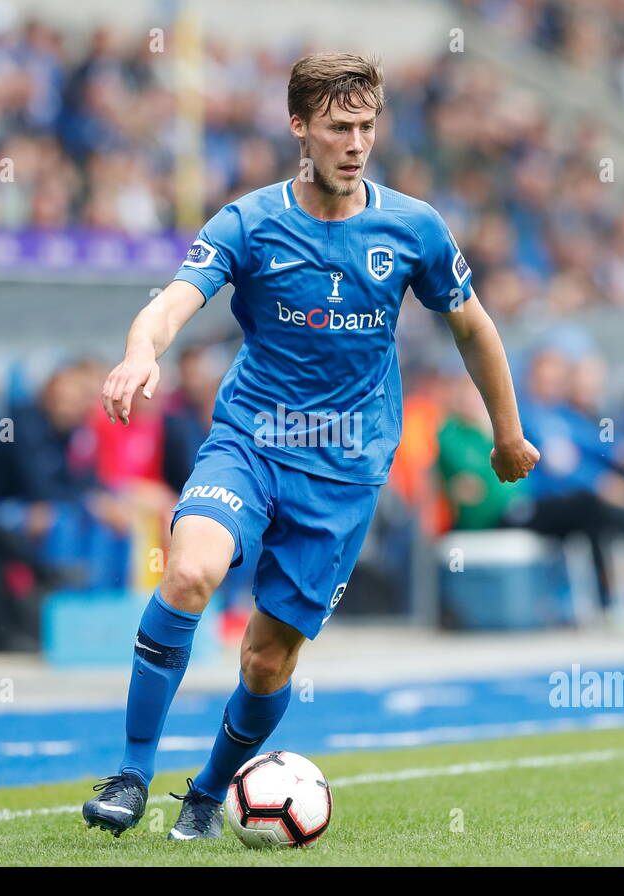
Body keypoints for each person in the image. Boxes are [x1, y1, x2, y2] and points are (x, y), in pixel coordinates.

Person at [84, 54, 539, 840]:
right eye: (338, 127)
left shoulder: (414, 228)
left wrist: (508, 432)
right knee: (188, 572)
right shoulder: (250, 222)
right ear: (299, 126)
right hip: (251, 444)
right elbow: (172, 303)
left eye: (367, 126)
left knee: (266, 661)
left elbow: (473, 327)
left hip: (344, 473)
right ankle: (129, 776)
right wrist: (138, 354)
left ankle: (207, 796)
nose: (355, 143)